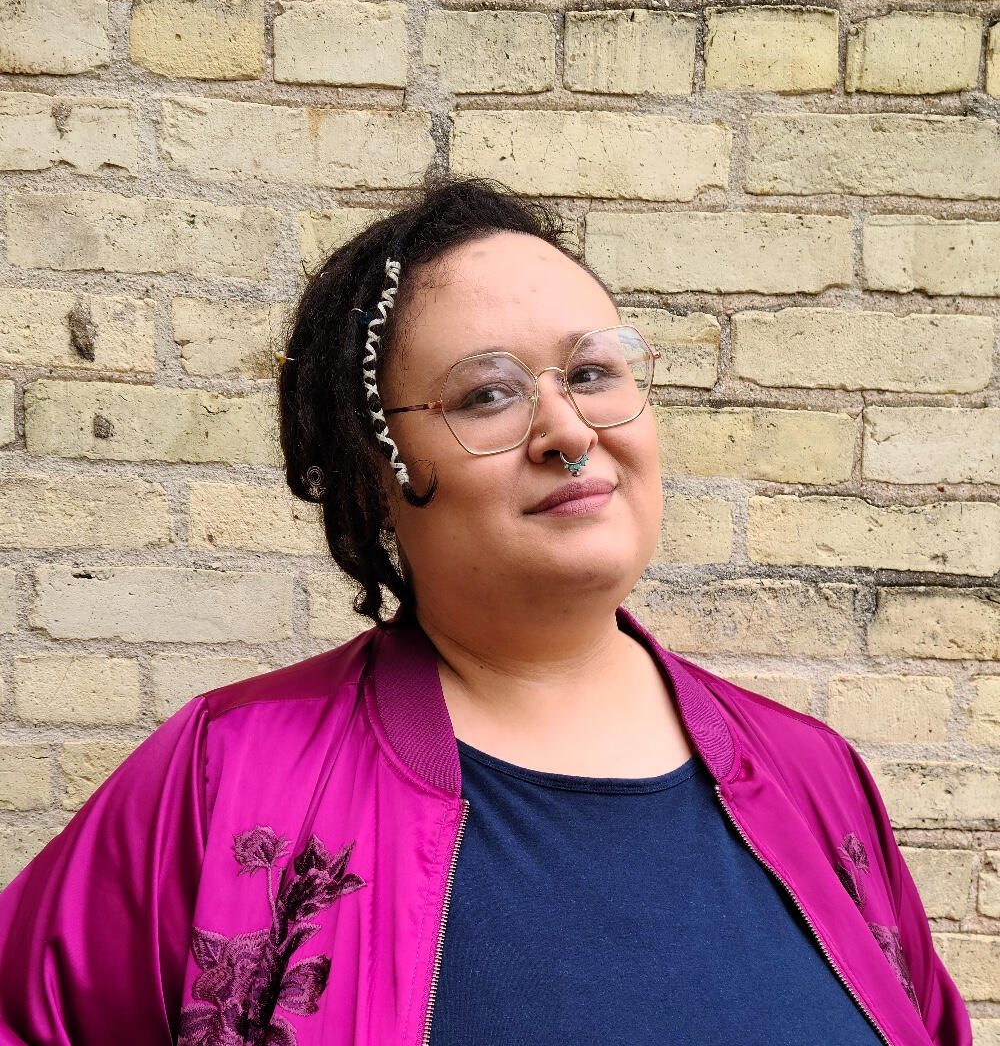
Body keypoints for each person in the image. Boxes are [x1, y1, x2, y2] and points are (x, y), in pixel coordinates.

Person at [0, 174, 972, 1046]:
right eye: (488, 395)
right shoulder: (227, 775)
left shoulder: (815, 779)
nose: (568, 432)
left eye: (591, 373)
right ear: (375, 475)